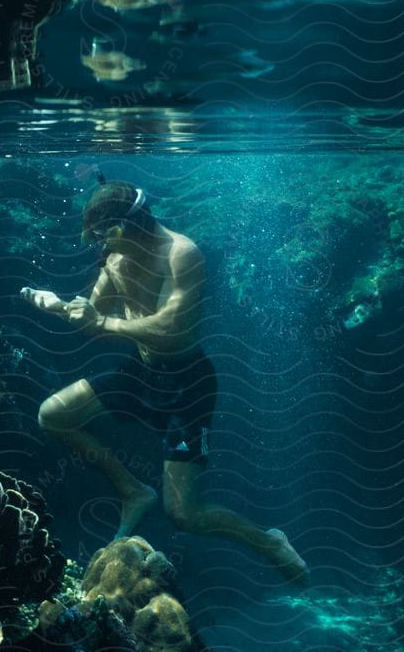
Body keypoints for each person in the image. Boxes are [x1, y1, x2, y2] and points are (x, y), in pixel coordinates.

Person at [26, 181, 310, 586]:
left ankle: (268, 542)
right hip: (141, 373)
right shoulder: (116, 257)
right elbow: (94, 312)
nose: (100, 245)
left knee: (184, 515)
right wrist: (60, 306)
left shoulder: (182, 253)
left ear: (125, 225)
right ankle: (133, 491)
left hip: (186, 383)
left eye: (104, 234)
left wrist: (101, 321)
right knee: (52, 415)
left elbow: (174, 328)